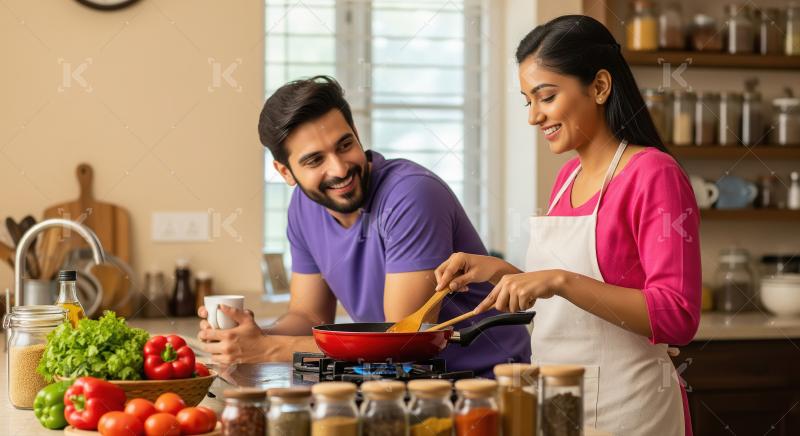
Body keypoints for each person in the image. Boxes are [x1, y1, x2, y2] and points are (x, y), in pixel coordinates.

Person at [435, 16, 700, 435]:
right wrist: (500, 273)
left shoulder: (653, 174)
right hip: (559, 405)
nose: (534, 117)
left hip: (631, 411)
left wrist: (559, 279)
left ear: (598, 86)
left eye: (546, 97)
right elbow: (568, 305)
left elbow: (677, 315)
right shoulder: (566, 181)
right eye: (528, 101)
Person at [197, 75, 531, 377]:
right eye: (315, 160)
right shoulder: (303, 206)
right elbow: (308, 316)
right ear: (286, 173)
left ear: (357, 135)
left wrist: (268, 349)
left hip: (486, 381)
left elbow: (402, 342)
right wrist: (252, 336)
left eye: (345, 145)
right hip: (399, 382)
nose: (340, 169)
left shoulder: (411, 195)